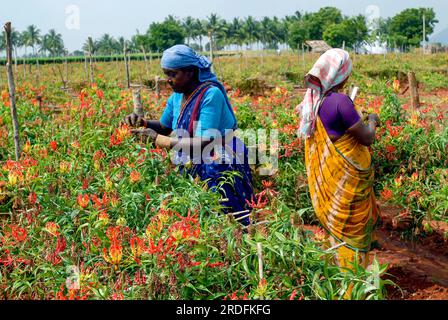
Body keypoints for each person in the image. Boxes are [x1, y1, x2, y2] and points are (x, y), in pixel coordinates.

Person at [123, 45, 253, 226]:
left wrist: (158, 140)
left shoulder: (210, 94)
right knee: (198, 216)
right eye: (165, 73)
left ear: (190, 72)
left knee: (227, 217)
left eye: (172, 74)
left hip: (220, 161)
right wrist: (142, 122)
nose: (167, 80)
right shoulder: (177, 96)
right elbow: (163, 126)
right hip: (193, 159)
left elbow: (206, 142)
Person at [298, 48, 381, 271]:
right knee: (352, 234)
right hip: (348, 185)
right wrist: (372, 120)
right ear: (341, 74)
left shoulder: (315, 103)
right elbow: (366, 138)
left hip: (331, 185)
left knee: (336, 230)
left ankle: (337, 280)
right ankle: (352, 285)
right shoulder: (341, 102)